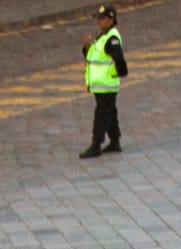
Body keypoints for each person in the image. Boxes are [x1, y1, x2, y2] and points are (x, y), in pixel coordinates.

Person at [79, 5, 127, 160]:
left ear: (111, 19)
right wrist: (87, 47)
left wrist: (121, 72)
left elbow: (118, 58)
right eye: (98, 18)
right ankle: (115, 141)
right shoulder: (103, 36)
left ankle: (96, 145)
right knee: (110, 112)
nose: (99, 21)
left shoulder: (111, 38)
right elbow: (95, 56)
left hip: (106, 84)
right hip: (101, 84)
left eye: (102, 18)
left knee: (101, 114)